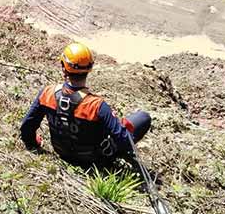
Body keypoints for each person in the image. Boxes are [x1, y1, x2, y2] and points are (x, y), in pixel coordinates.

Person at [19, 42, 151, 168]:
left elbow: (26, 127)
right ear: (89, 69)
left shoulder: (47, 94)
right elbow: (124, 140)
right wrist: (120, 125)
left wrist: (33, 144)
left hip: (62, 153)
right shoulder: (97, 106)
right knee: (143, 117)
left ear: (63, 67)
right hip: (96, 159)